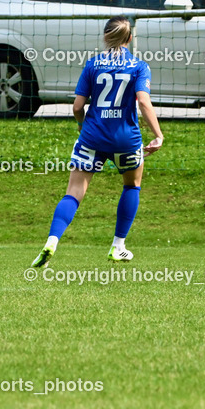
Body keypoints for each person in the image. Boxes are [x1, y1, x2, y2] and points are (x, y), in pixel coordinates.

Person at [32, 16, 164, 267]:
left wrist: (83, 126)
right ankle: (118, 246)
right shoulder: (139, 66)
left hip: (92, 136)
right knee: (131, 185)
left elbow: (77, 106)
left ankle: (52, 240)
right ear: (129, 38)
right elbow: (144, 102)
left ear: (105, 37)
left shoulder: (92, 65)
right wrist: (158, 135)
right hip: (126, 138)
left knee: (73, 193)